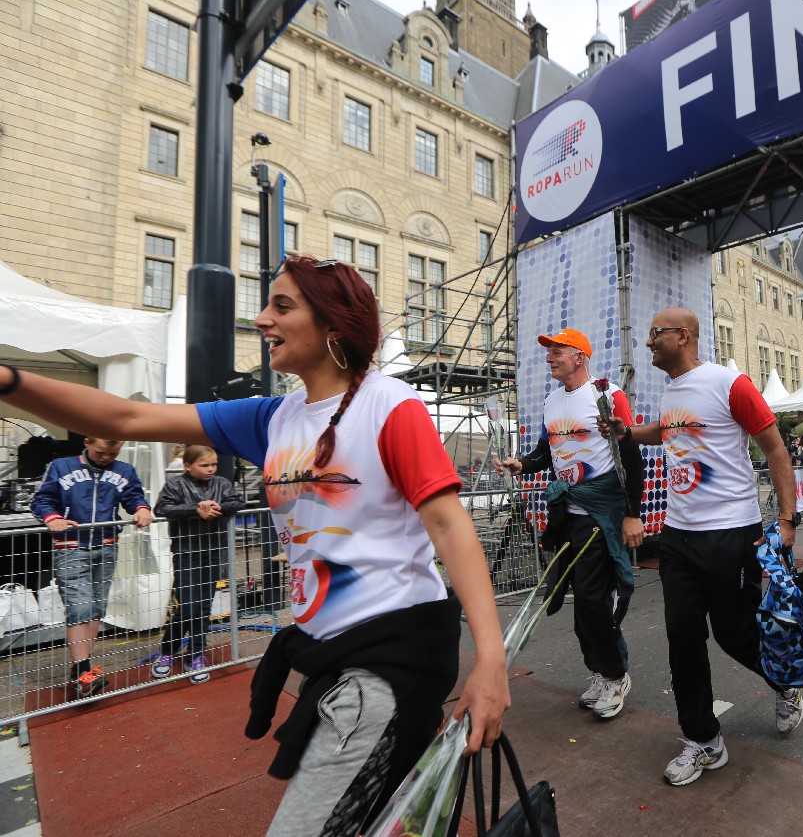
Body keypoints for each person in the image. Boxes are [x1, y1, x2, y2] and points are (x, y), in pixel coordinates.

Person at [0, 255, 509, 836]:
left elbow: (449, 526)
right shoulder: (274, 417)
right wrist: (10, 380)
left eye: (282, 306)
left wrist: (490, 661)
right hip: (327, 651)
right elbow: (127, 417)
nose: (262, 319)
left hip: (393, 653)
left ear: (333, 323)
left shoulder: (390, 405)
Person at [603, 307, 800, 787]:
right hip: (678, 537)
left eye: (656, 333)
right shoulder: (672, 391)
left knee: (735, 635)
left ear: (684, 335)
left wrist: (786, 520)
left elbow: (775, 448)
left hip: (731, 534)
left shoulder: (731, 384)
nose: (648, 342)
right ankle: (704, 740)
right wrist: (629, 432)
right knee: (682, 637)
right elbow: (668, 430)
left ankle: (785, 683)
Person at [494, 328, 644, 719]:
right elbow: (547, 452)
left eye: (557, 351)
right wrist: (522, 464)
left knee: (593, 600)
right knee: (582, 604)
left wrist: (633, 514)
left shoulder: (607, 395)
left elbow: (631, 457)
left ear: (580, 356)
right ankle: (600, 671)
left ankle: (615, 676)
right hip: (568, 515)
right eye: (549, 352)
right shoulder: (552, 401)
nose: (550, 357)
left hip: (602, 514)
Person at [29, 437, 153, 698]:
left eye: (113, 453)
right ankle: (83, 672)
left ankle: (82, 668)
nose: (106, 458)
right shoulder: (61, 466)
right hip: (70, 546)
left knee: (96, 607)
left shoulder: (125, 470)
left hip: (106, 545)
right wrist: (52, 517)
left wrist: (141, 508)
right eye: (100, 452)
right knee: (80, 607)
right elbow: (41, 500)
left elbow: (133, 496)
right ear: (87, 442)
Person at [151, 445, 247, 684]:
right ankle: (168, 651)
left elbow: (238, 501)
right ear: (188, 465)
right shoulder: (175, 484)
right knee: (188, 606)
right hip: (186, 552)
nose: (211, 469)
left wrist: (218, 507)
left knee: (203, 607)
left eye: (213, 464)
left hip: (213, 551)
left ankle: (195, 655)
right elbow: (162, 508)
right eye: (204, 465)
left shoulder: (222, 483)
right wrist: (196, 509)